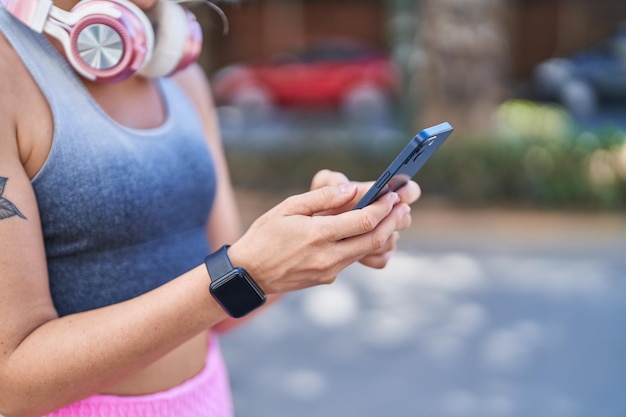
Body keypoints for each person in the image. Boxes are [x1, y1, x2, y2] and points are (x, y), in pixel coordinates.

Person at [0, 0, 420, 416]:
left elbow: (220, 311)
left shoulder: (179, 73)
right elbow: (10, 384)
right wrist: (241, 273)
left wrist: (315, 241)